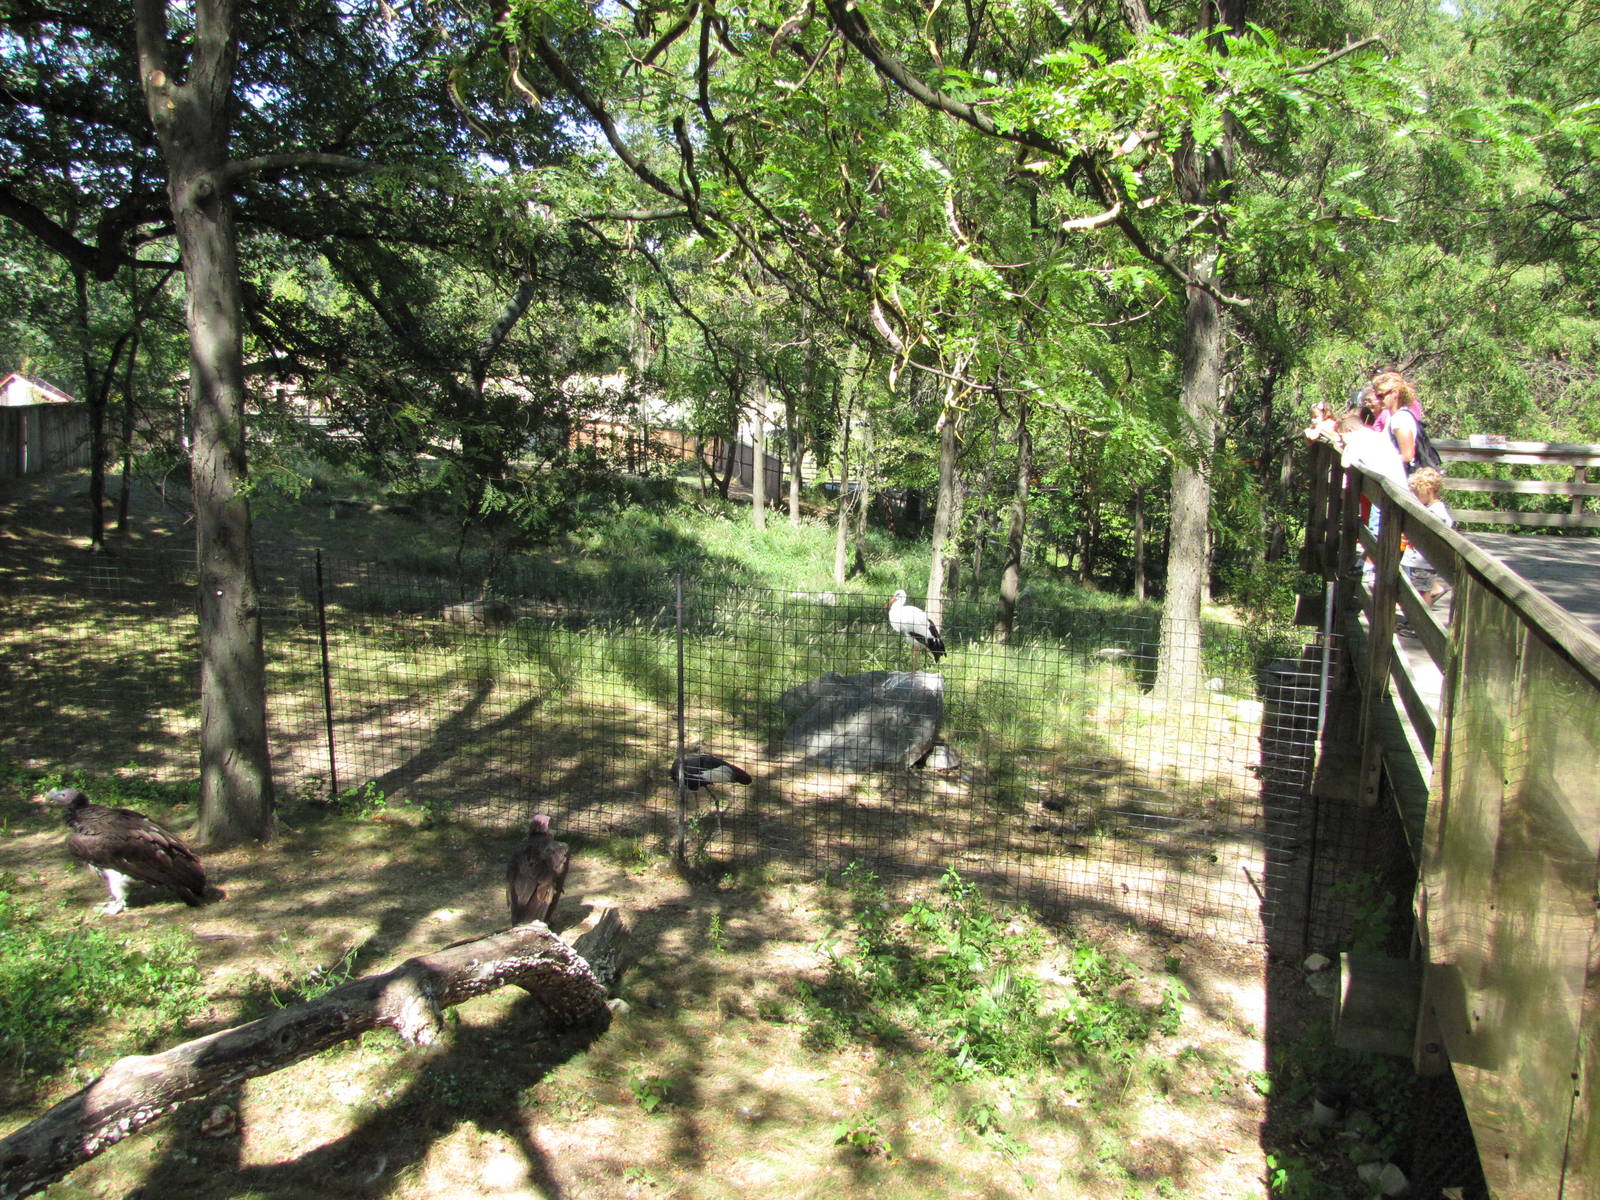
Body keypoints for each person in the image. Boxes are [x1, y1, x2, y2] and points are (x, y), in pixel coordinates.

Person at [1402, 467, 1454, 605]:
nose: (1415, 497)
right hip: (1417, 557)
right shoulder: (1428, 509)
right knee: (1417, 589)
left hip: (1424, 560)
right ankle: (1413, 621)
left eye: (1417, 493)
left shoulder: (1437, 512)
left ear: (1429, 491)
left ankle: (1420, 622)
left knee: (1422, 592)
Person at [1371, 372, 1425, 474]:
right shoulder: (1393, 417)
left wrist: (1377, 461)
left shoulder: (1400, 419)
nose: (1378, 401)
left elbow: (1408, 455)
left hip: (1403, 479)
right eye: (1376, 396)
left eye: (1381, 396)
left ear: (1395, 393)